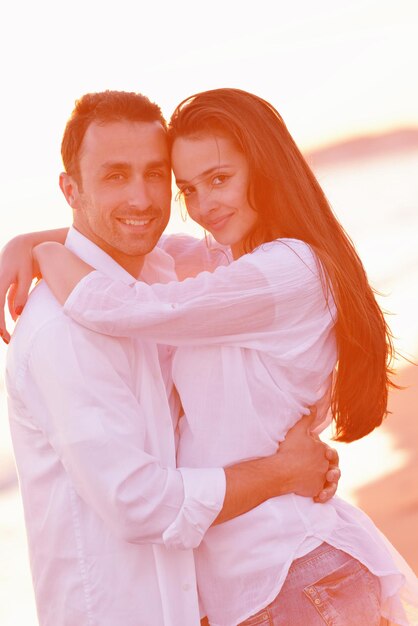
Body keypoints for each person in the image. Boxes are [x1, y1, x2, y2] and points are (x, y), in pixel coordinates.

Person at [17, 88, 418, 626]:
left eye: (220, 179)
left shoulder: (285, 270)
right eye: (188, 187)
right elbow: (141, 238)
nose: (203, 206)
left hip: (294, 574)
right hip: (258, 590)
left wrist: (42, 252)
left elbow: (118, 305)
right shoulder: (225, 260)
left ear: (264, 169)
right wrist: (27, 239)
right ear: (71, 188)